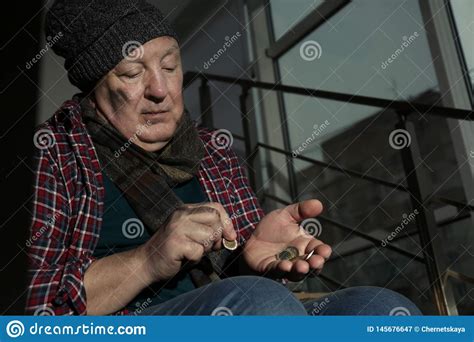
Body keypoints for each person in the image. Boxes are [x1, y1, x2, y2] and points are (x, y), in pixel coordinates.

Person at [26, 0, 421, 316]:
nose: (161, 89)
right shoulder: (54, 155)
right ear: (95, 86)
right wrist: (148, 259)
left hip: (236, 308)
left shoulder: (213, 148)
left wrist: (252, 260)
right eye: (132, 73)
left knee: (383, 308)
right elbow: (32, 308)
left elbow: (247, 285)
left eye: (170, 66)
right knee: (260, 305)